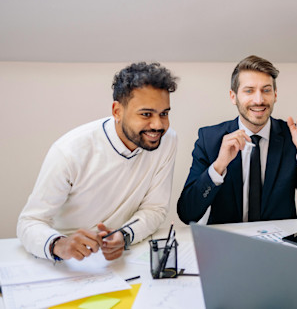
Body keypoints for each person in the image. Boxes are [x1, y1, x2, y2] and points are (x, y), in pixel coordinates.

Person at [17, 62, 178, 261]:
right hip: (66, 262)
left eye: (164, 113)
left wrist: (124, 235)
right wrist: (61, 245)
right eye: (146, 114)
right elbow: (29, 221)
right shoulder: (70, 150)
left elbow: (155, 208)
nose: (158, 125)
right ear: (117, 111)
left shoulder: (167, 140)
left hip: (121, 258)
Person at [178, 55, 297, 224]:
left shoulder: (292, 137)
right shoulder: (209, 139)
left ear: (275, 95)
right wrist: (219, 166)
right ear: (233, 96)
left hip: (278, 244)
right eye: (249, 91)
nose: (259, 100)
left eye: (266, 90)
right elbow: (187, 213)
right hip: (227, 244)